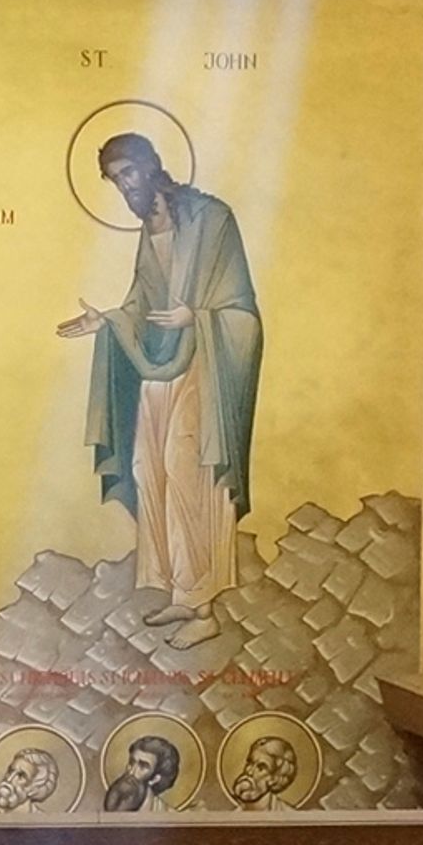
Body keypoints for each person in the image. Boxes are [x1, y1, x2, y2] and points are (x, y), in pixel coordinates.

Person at [63, 133, 263, 616]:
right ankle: (178, 588)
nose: (124, 186)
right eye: (115, 180)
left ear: (151, 164)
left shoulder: (211, 219)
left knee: (184, 467)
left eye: (128, 172)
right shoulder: (147, 230)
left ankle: (201, 604)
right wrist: (108, 320)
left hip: (204, 365)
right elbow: (142, 302)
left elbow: (241, 309)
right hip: (161, 365)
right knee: (145, 468)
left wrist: (197, 316)